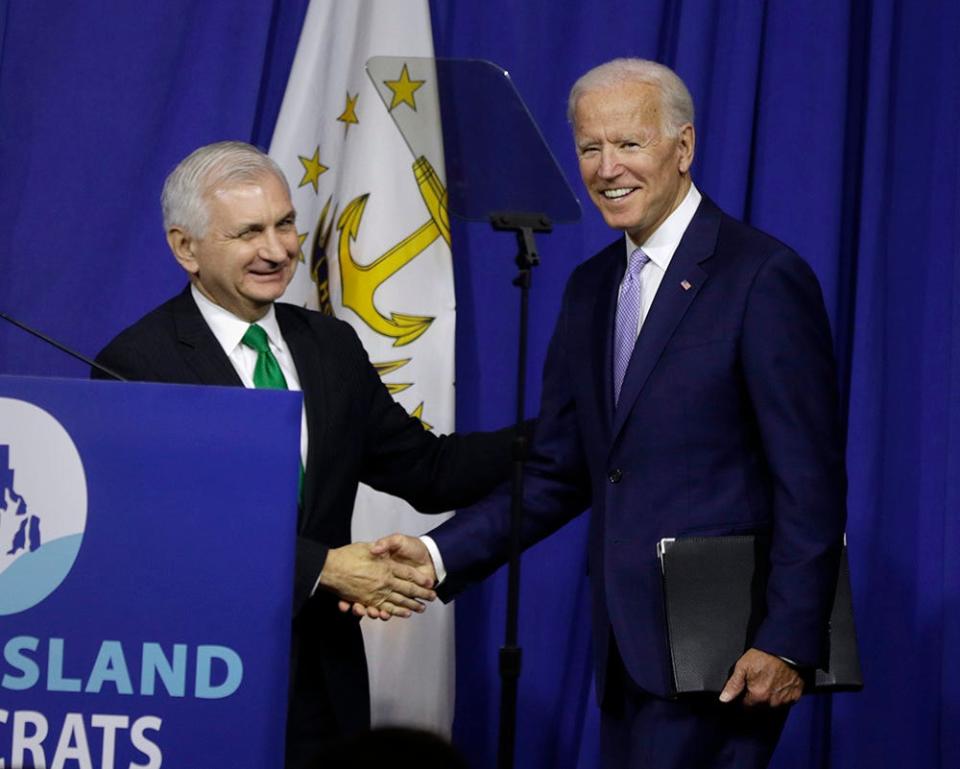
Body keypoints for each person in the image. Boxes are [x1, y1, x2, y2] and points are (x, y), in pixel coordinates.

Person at [368, 59, 847, 768]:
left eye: (628, 144)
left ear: (681, 149)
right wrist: (439, 554)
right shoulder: (591, 288)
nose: (605, 168)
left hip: (727, 647)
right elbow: (565, 467)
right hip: (627, 647)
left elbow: (810, 480)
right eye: (590, 148)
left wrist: (788, 639)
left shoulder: (761, 276)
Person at [92, 141, 514, 769]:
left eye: (285, 224)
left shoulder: (329, 345)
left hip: (324, 677)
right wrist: (322, 567)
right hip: (204, 673)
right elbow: (162, 535)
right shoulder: (137, 364)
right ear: (185, 247)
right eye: (249, 232)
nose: (278, 249)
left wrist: (559, 434)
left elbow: (429, 471)